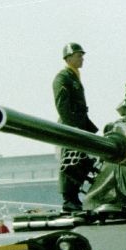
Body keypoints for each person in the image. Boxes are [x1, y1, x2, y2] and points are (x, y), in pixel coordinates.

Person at [52, 42, 98, 212]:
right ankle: (68, 199)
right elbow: (62, 106)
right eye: (79, 55)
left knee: (81, 162)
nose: (82, 58)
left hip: (79, 125)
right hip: (70, 127)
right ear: (69, 58)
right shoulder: (62, 78)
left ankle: (74, 197)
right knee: (69, 162)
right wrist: (72, 130)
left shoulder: (73, 76)